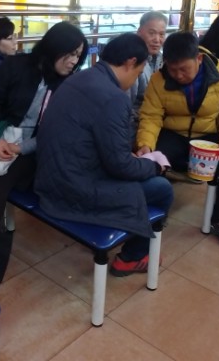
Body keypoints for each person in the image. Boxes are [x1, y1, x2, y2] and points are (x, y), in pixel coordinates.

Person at [0, 22, 88, 277]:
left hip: (35, 152)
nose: (74, 62)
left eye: (78, 56)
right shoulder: (15, 66)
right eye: (71, 54)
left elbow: (56, 133)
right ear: (54, 48)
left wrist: (21, 148)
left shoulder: (69, 86)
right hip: (1, 136)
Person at [36, 33, 173, 277]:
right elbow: (120, 165)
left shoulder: (79, 78)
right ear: (131, 63)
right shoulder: (113, 98)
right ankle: (133, 257)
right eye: (138, 72)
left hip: (49, 177)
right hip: (73, 188)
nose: (135, 79)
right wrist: (154, 166)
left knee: (141, 174)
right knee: (162, 188)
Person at [136, 33, 219, 251]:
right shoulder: (159, 80)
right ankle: (152, 215)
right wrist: (145, 145)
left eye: (184, 69)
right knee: (150, 163)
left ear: (199, 59)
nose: (178, 75)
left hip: (208, 134)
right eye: (173, 69)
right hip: (174, 134)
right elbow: (151, 116)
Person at [127, 11, 168, 137]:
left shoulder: (164, 60)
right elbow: (126, 107)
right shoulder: (131, 61)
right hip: (135, 127)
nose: (157, 40)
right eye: (152, 33)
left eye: (161, 34)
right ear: (139, 32)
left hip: (158, 123)